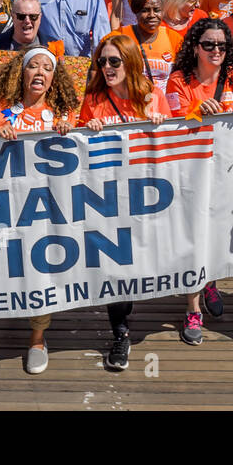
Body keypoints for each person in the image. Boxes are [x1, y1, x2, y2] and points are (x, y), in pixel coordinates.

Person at [0, 48, 79, 374]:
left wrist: (70, 134)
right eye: (32, 65)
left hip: (47, 206)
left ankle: (37, 337)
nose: (39, 72)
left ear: (54, 76)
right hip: (7, 204)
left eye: (47, 68)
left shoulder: (65, 111)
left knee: (41, 269)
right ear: (20, 71)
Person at [76, 33, 169, 367]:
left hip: (146, 196)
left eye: (114, 61)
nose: (107, 67)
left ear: (130, 62)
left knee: (140, 263)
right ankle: (120, 333)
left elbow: (170, 148)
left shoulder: (154, 98)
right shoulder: (93, 99)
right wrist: (88, 128)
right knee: (117, 268)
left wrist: (161, 125)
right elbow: (78, 149)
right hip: (109, 197)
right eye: (102, 61)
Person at [165, 17, 233, 337]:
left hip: (226, 170)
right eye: (208, 44)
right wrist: (196, 112)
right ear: (195, 46)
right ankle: (192, 308)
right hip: (191, 170)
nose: (216, 50)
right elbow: (174, 124)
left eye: (221, 45)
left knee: (217, 232)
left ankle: (211, 283)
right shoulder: (178, 79)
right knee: (194, 237)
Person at [116, 0, 182, 93]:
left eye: (156, 10)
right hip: (129, 103)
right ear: (135, 12)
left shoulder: (174, 38)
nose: (152, 15)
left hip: (163, 105)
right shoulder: (119, 37)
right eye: (145, 10)